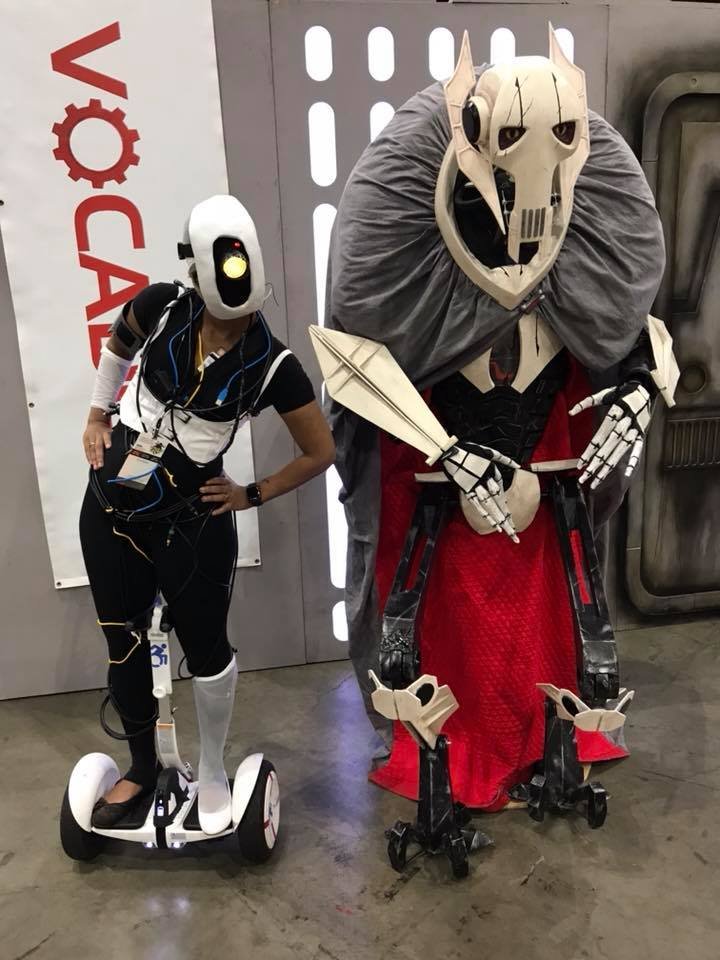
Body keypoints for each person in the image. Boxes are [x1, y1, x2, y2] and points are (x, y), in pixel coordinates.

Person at [313, 29, 678, 817]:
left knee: (549, 610)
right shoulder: (398, 220)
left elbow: (637, 335)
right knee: (439, 621)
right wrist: (447, 449)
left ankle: (544, 731)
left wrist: (642, 390)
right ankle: (443, 736)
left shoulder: (601, 220)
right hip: (444, 485)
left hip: (542, 482)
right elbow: (354, 360)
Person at [81, 194, 334, 833]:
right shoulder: (160, 305)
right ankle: (141, 764)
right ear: (194, 268)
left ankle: (214, 767)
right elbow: (118, 345)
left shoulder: (273, 365)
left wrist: (250, 493)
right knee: (124, 641)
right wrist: (96, 411)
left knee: (206, 648)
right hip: (112, 504)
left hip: (192, 521)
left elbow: (320, 450)